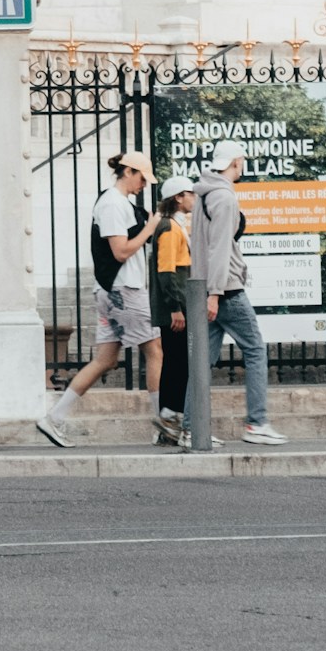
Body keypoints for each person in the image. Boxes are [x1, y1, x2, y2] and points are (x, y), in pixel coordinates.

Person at [36, 146, 162, 443]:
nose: (144, 185)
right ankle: (165, 424)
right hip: (123, 290)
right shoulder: (112, 204)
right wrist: (151, 227)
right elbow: (121, 252)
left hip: (111, 292)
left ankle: (53, 418)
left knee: (105, 359)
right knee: (155, 349)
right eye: (142, 179)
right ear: (128, 172)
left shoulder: (120, 204)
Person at [190, 139, 288, 447]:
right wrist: (216, 293)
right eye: (242, 161)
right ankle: (256, 423)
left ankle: (190, 426)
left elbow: (202, 246)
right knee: (256, 351)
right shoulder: (225, 198)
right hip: (226, 290)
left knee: (202, 360)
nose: (242, 166)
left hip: (204, 286)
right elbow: (219, 248)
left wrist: (207, 291)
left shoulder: (202, 194)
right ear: (235, 162)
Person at [149, 176, 198, 448]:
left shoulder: (175, 226)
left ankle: (169, 423)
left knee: (176, 361)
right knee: (178, 363)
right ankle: (170, 415)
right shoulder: (169, 227)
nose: (193, 198)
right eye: (190, 193)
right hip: (175, 309)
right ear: (178, 197)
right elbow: (166, 271)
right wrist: (176, 309)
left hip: (176, 307)